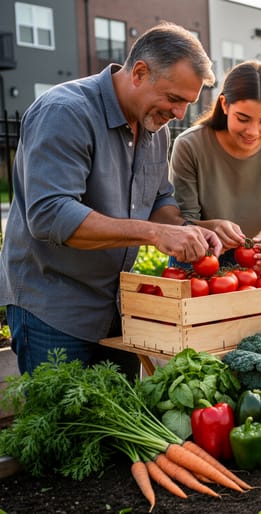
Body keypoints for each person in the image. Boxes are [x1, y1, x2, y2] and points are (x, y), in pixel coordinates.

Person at [0, 23, 221, 376]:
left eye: (188, 104)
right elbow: (52, 215)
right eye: (175, 98)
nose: (180, 114)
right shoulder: (65, 112)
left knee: (118, 425)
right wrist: (152, 234)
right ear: (139, 72)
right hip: (53, 308)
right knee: (63, 429)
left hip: (114, 306)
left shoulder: (154, 127)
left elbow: (158, 200)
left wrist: (188, 229)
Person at [170, 61, 261, 270]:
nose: (253, 131)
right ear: (224, 104)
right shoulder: (190, 145)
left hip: (250, 264)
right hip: (197, 260)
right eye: (243, 118)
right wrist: (212, 227)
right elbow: (182, 221)